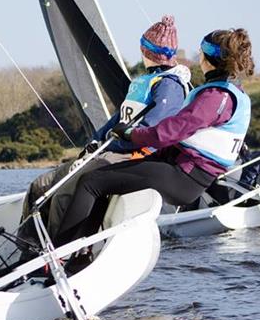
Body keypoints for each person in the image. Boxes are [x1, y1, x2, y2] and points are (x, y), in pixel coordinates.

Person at [51, 27, 254, 251]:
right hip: (181, 169)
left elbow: (169, 132)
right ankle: (81, 251)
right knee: (100, 181)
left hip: (184, 177)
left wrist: (130, 133)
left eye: (200, 54)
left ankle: (58, 253)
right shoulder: (231, 92)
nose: (198, 58)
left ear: (209, 59)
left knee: (90, 183)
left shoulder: (217, 97)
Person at [15, 15, 190, 254]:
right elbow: (117, 120)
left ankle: (57, 255)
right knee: (39, 186)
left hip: (130, 155)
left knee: (64, 194)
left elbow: (154, 127)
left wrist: (117, 145)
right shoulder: (142, 81)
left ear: (146, 51)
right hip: (107, 149)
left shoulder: (171, 85)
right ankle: (27, 250)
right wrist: (96, 140)